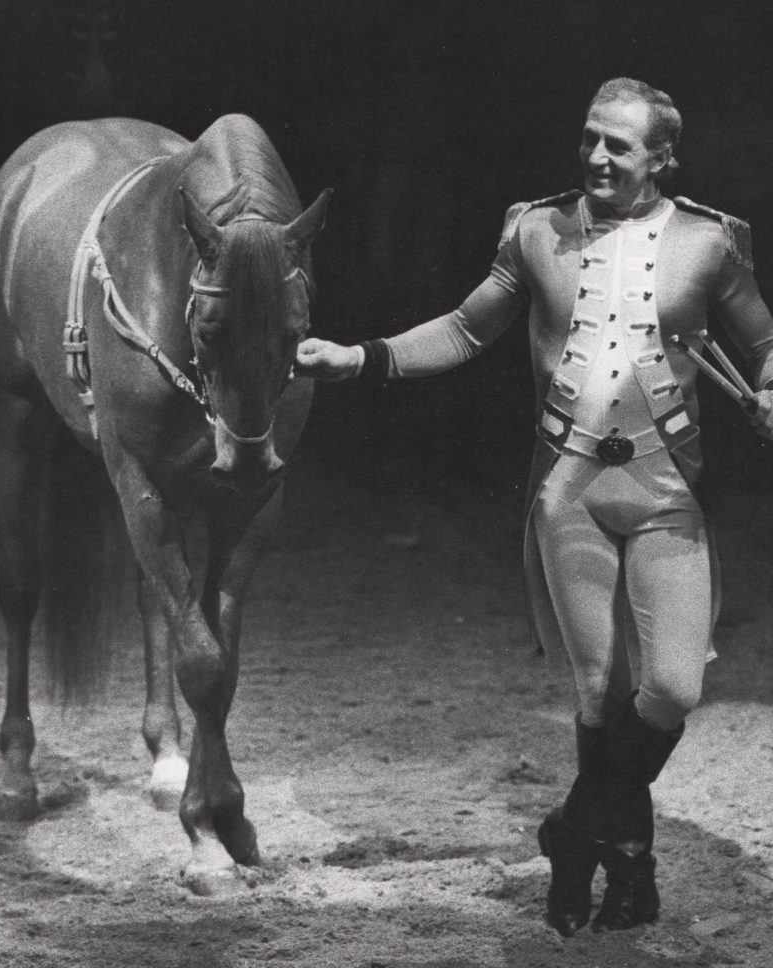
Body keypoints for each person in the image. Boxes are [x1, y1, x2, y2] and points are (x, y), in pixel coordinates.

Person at [295, 77, 773, 935]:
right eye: (590, 138)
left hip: (668, 493)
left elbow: (766, 345)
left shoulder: (709, 242)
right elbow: (465, 329)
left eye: (618, 146)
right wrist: (361, 358)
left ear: (661, 157)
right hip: (572, 494)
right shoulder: (536, 230)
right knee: (599, 691)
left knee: (668, 687)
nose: (595, 156)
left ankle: (573, 831)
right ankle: (626, 872)